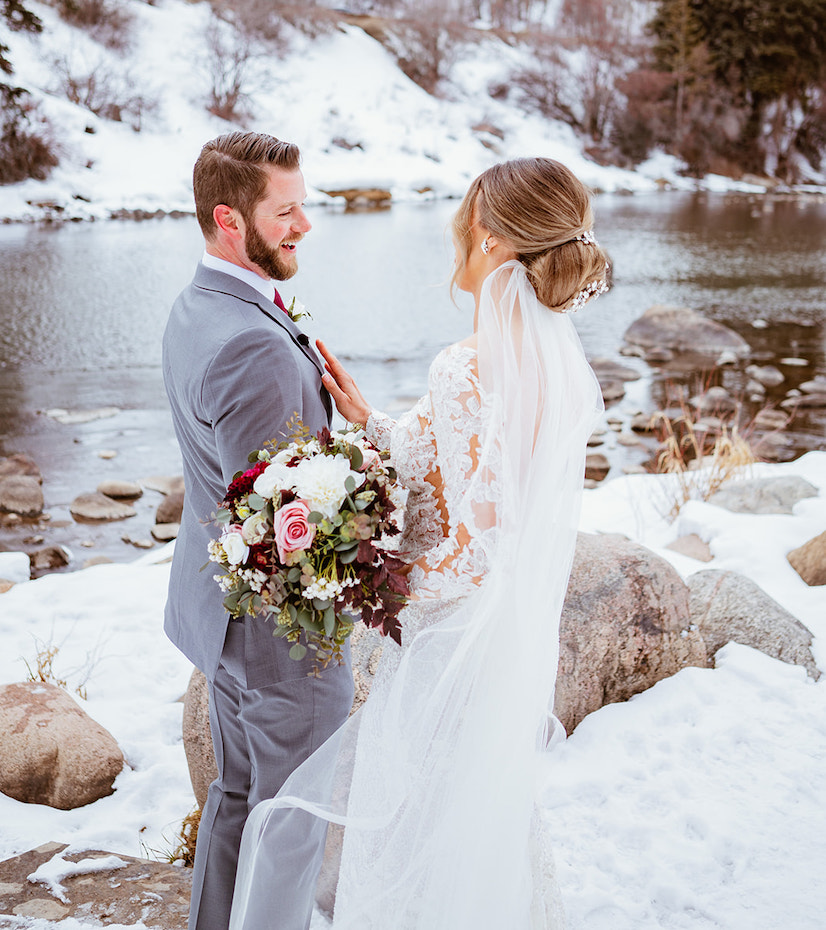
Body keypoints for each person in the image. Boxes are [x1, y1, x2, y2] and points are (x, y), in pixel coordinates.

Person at [229, 157, 609, 930]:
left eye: (465, 216)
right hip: (490, 648)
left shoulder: (467, 367)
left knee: (419, 844)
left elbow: (477, 549)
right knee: (476, 838)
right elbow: (468, 472)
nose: (454, 232)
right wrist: (373, 423)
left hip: (446, 654)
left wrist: (376, 588)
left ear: (491, 238)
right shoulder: (545, 359)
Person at [162, 131, 354, 930]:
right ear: (228, 220)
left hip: (222, 610)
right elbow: (284, 524)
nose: (304, 224)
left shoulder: (200, 303)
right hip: (279, 636)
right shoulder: (252, 345)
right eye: (285, 211)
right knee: (291, 821)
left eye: (302, 205)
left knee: (239, 801)